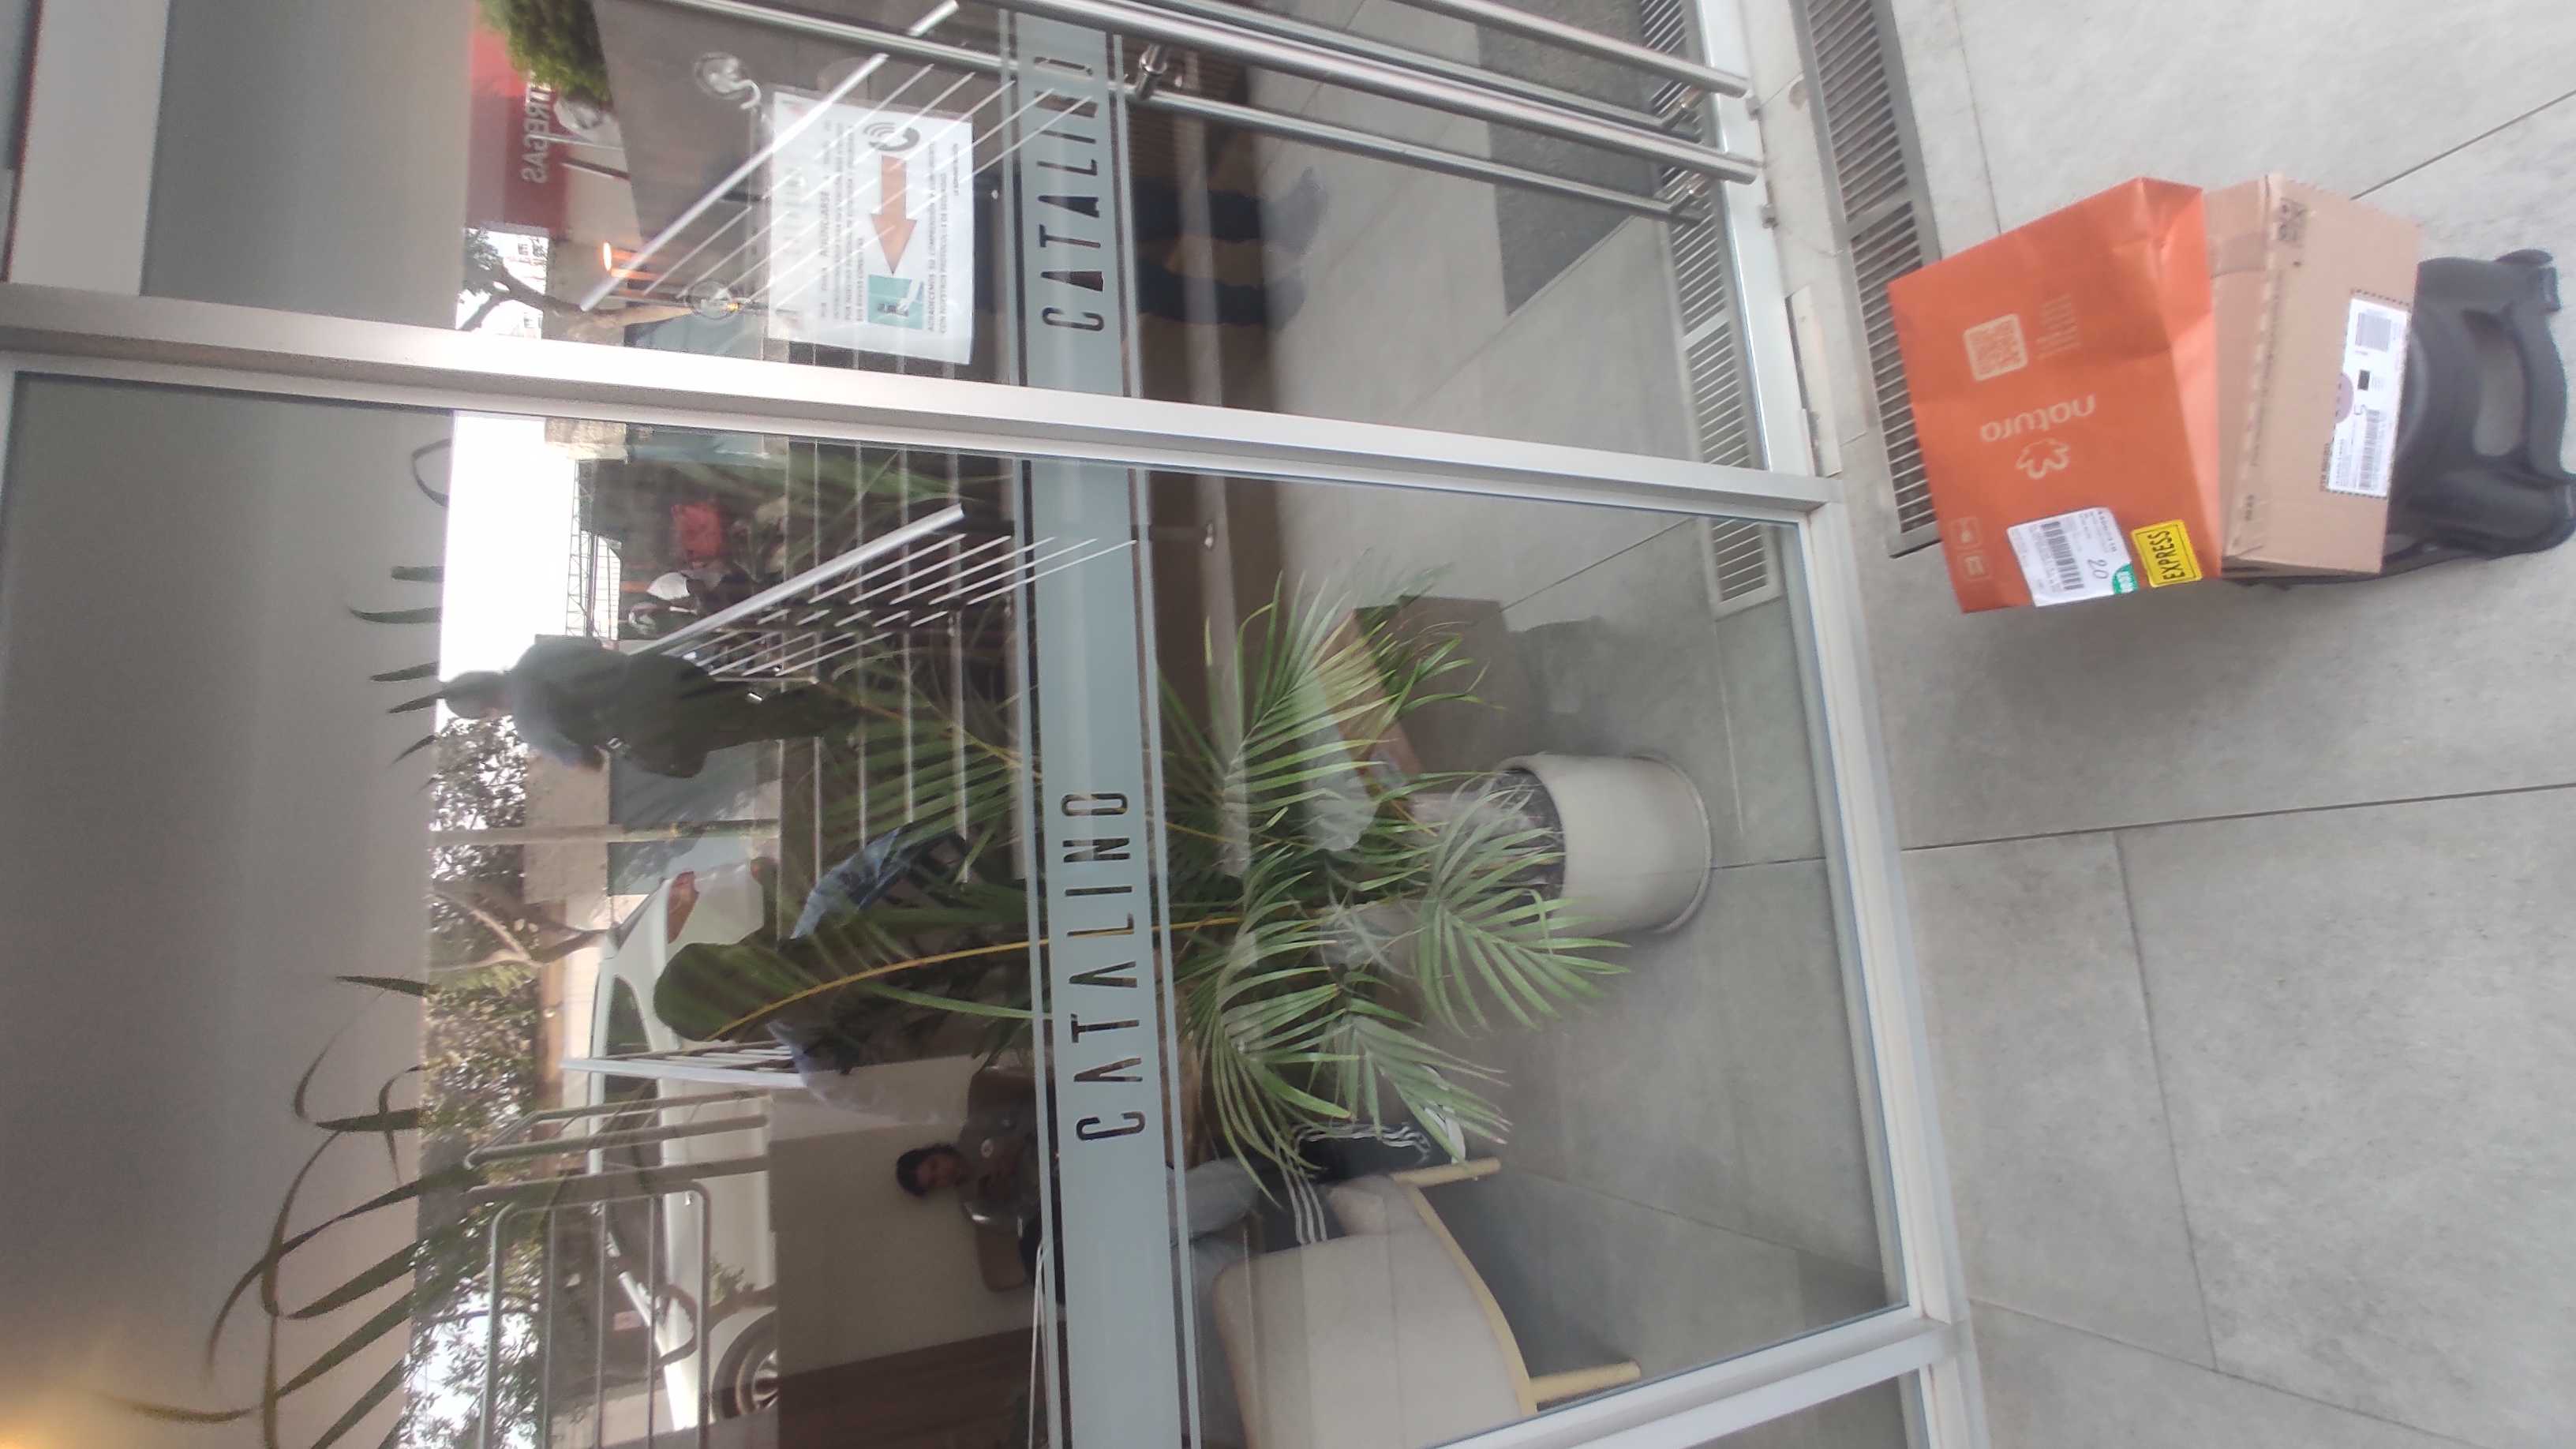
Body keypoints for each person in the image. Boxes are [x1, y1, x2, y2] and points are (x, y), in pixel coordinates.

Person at [442, 635, 859, 779]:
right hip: (659, 675)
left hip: (656, 728)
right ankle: (830, 688)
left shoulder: (531, 727)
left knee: (755, 722)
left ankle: (844, 705)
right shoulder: (538, 653)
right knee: (736, 694)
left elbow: (588, 762)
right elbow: (598, 646)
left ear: (487, 713)